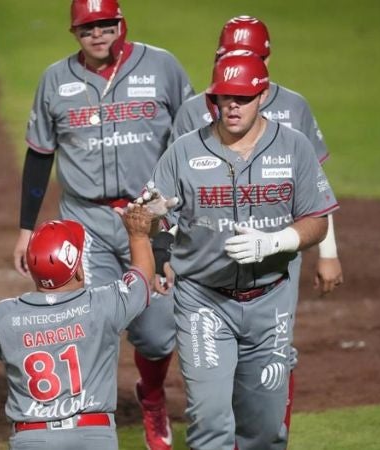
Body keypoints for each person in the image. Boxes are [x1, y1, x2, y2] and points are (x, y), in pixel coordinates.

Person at [12, 1, 194, 448]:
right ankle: (86, 426)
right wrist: (24, 228)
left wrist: (173, 225)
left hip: (150, 218)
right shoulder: (55, 81)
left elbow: (191, 143)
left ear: (121, 23)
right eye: (87, 27)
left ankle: (151, 396)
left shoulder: (163, 67)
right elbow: (40, 155)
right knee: (87, 324)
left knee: (155, 333)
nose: (98, 34)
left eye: (106, 24)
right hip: (85, 222)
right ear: (74, 32)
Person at [144, 54, 339, 449]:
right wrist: (155, 228)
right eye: (223, 97)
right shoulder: (183, 151)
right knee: (210, 421)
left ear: (263, 95)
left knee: (265, 430)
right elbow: (155, 220)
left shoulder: (294, 147)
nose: (231, 106)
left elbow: (317, 220)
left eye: (243, 97)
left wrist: (275, 241)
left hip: (271, 301)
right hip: (203, 300)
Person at [171, 15, 344, 296]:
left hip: (279, 248)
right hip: (208, 250)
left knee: (271, 333)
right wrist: (167, 250)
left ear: (268, 57)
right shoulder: (192, 111)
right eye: (229, 56)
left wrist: (328, 252)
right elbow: (177, 190)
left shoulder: (293, 106)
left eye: (250, 56)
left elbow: (315, 187)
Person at [0, 205, 156, 450]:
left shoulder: (4, 315)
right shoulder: (103, 305)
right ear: (77, 269)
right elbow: (142, 279)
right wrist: (138, 235)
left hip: (32, 439)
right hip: (93, 437)